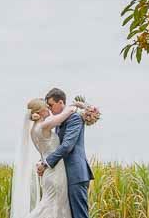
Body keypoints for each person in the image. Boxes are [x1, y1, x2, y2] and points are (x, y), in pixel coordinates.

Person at [10, 87, 94, 218]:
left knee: (79, 214)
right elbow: (53, 147)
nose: (49, 108)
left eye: (51, 105)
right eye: (47, 106)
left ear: (61, 102)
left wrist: (45, 163)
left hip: (75, 173)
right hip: (58, 173)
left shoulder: (75, 118)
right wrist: (43, 162)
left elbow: (67, 146)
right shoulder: (55, 123)